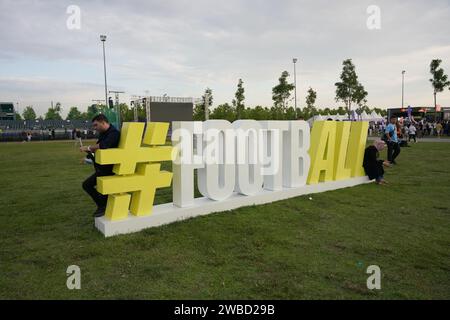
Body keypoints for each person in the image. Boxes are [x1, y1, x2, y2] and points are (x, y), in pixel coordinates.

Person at [81, 114, 120, 217]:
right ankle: (103, 206)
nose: (95, 128)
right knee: (88, 185)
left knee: (87, 185)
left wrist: (88, 148)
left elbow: (103, 146)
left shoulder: (114, 133)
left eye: (96, 125)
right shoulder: (104, 133)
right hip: (102, 169)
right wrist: (89, 156)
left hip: (109, 170)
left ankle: (102, 206)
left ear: (103, 122)